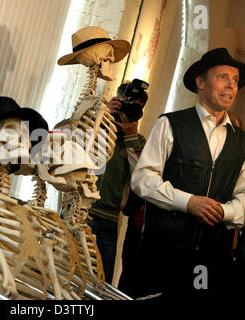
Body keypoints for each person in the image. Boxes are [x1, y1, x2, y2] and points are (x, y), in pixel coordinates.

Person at [131, 48, 245, 300]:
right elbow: (143, 178)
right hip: (162, 251)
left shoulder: (242, 141)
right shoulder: (169, 124)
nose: (231, 85)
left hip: (211, 258)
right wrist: (188, 202)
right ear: (200, 82)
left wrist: (225, 211)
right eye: (223, 77)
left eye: (235, 80)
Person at [86, 81, 148, 284]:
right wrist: (99, 116)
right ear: (117, 100)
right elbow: (61, 134)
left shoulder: (139, 142)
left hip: (108, 221)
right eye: (127, 103)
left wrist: (130, 137)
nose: (128, 110)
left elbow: (143, 179)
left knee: (100, 285)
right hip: (77, 211)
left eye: (136, 107)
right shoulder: (95, 124)